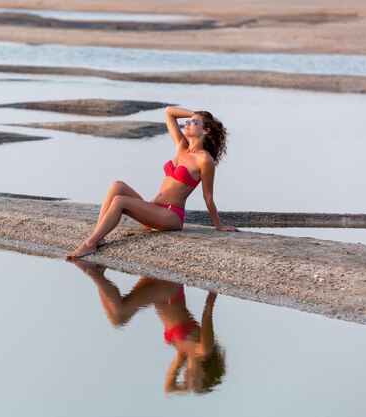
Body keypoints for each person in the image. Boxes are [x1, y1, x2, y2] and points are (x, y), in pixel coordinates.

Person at [65, 106, 238, 259]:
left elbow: (208, 197)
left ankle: (89, 244)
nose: (187, 123)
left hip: (171, 216)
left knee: (120, 201)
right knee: (117, 185)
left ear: (206, 131)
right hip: (153, 209)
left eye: (193, 122)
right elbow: (169, 112)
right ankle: (99, 237)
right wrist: (196, 114)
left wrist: (219, 225)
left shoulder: (204, 160)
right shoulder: (181, 146)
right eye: (187, 121)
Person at [72, 260, 226, 394]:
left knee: (116, 319)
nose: (188, 382)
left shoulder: (183, 355)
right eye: (194, 384)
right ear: (205, 376)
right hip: (169, 293)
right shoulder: (204, 348)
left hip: (160, 296)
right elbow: (208, 311)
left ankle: (98, 273)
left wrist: (184, 389)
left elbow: (169, 387)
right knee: (120, 313)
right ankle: (93, 272)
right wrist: (213, 282)